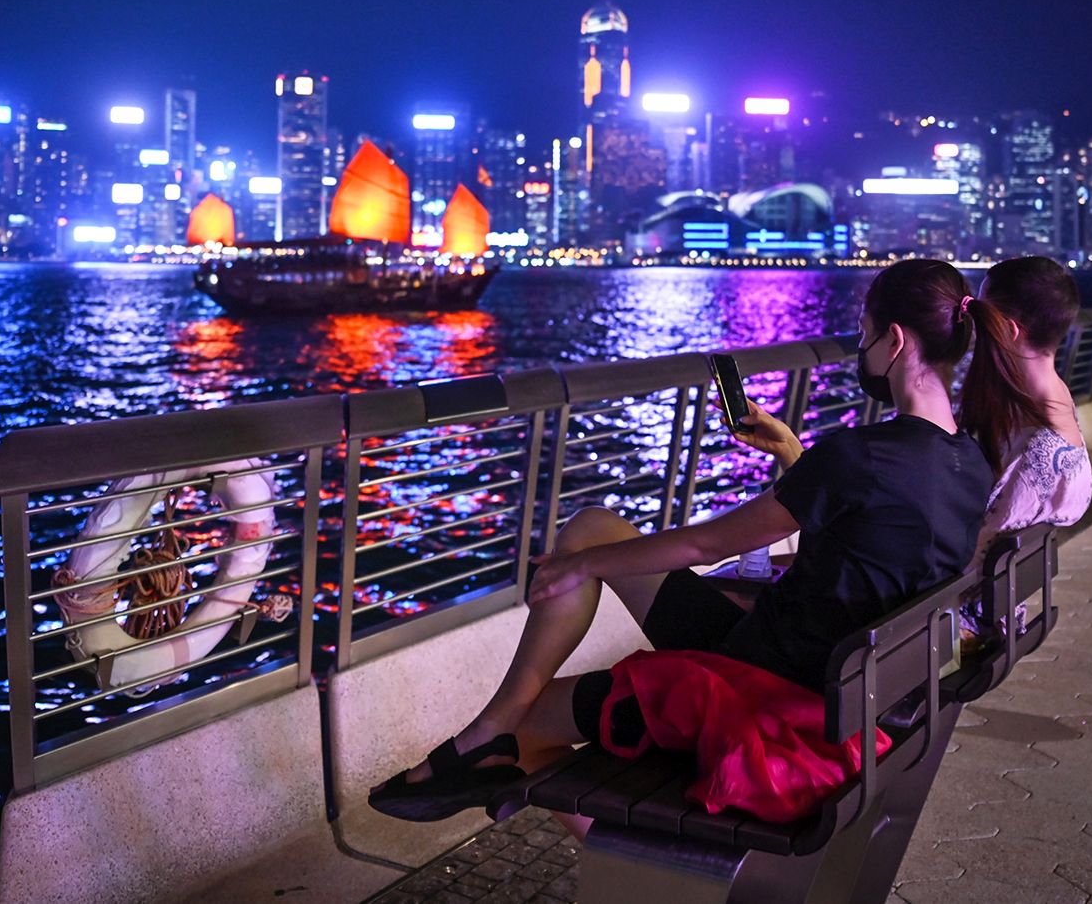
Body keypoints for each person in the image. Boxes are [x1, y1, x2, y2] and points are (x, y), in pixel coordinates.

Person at [368, 259, 1017, 824]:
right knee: (595, 523)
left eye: (866, 334)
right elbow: (870, 536)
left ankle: (612, 846)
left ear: (895, 340)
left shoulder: (862, 454)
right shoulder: (970, 464)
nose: (861, 347)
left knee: (536, 722)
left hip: (760, 685)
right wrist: (794, 451)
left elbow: (704, 546)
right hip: (829, 679)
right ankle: (491, 727)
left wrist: (581, 565)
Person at [959, 257, 1092, 641]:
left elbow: (967, 565)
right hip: (996, 615)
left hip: (961, 634)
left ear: (1011, 331)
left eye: (982, 319)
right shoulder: (1055, 403)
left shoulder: (1037, 449)